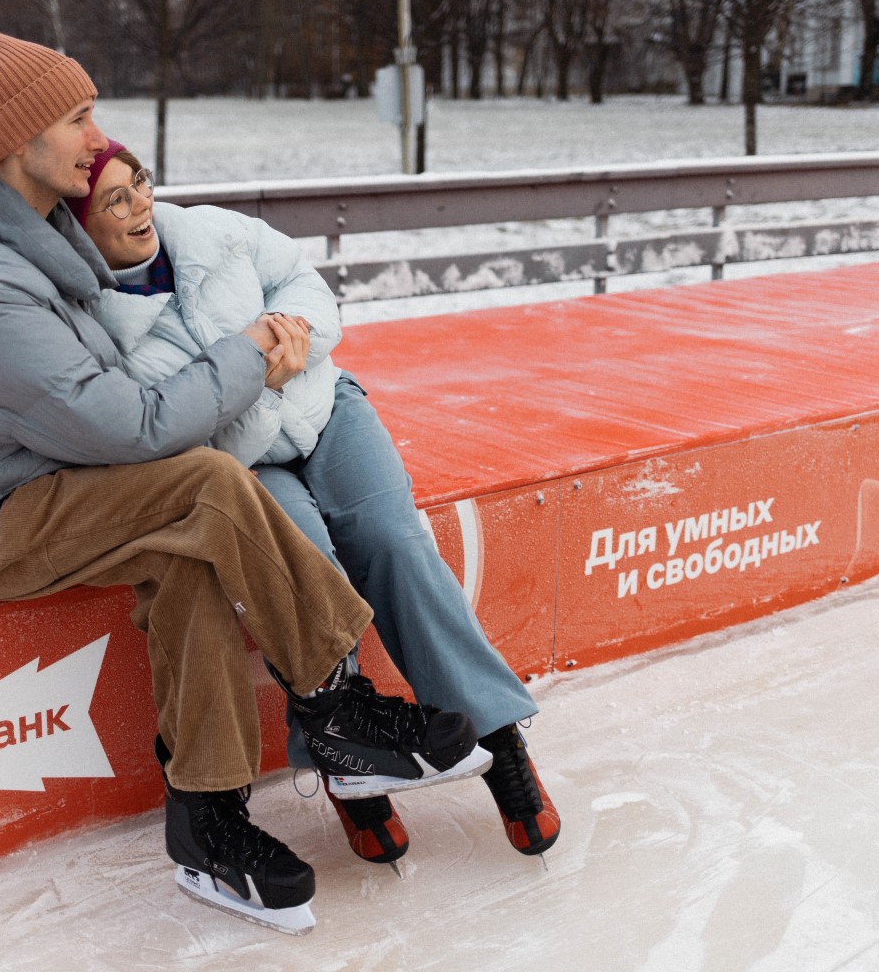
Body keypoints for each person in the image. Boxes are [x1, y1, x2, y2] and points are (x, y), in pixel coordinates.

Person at [0, 31, 491, 934]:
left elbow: (117, 404)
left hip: (55, 478)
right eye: (77, 116)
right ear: (16, 139)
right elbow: (130, 427)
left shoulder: (40, 224)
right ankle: (335, 703)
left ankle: (207, 825)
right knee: (202, 487)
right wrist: (249, 352)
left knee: (191, 554)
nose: (97, 135)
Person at [69, 138, 562, 865]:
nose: (141, 202)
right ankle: (350, 769)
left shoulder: (211, 231)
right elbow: (154, 422)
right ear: (78, 226)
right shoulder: (92, 324)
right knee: (307, 574)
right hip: (239, 464)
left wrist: (289, 334)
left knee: (393, 541)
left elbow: (301, 280)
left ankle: (499, 735)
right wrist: (247, 371)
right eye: (115, 199)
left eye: (139, 181)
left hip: (325, 411)